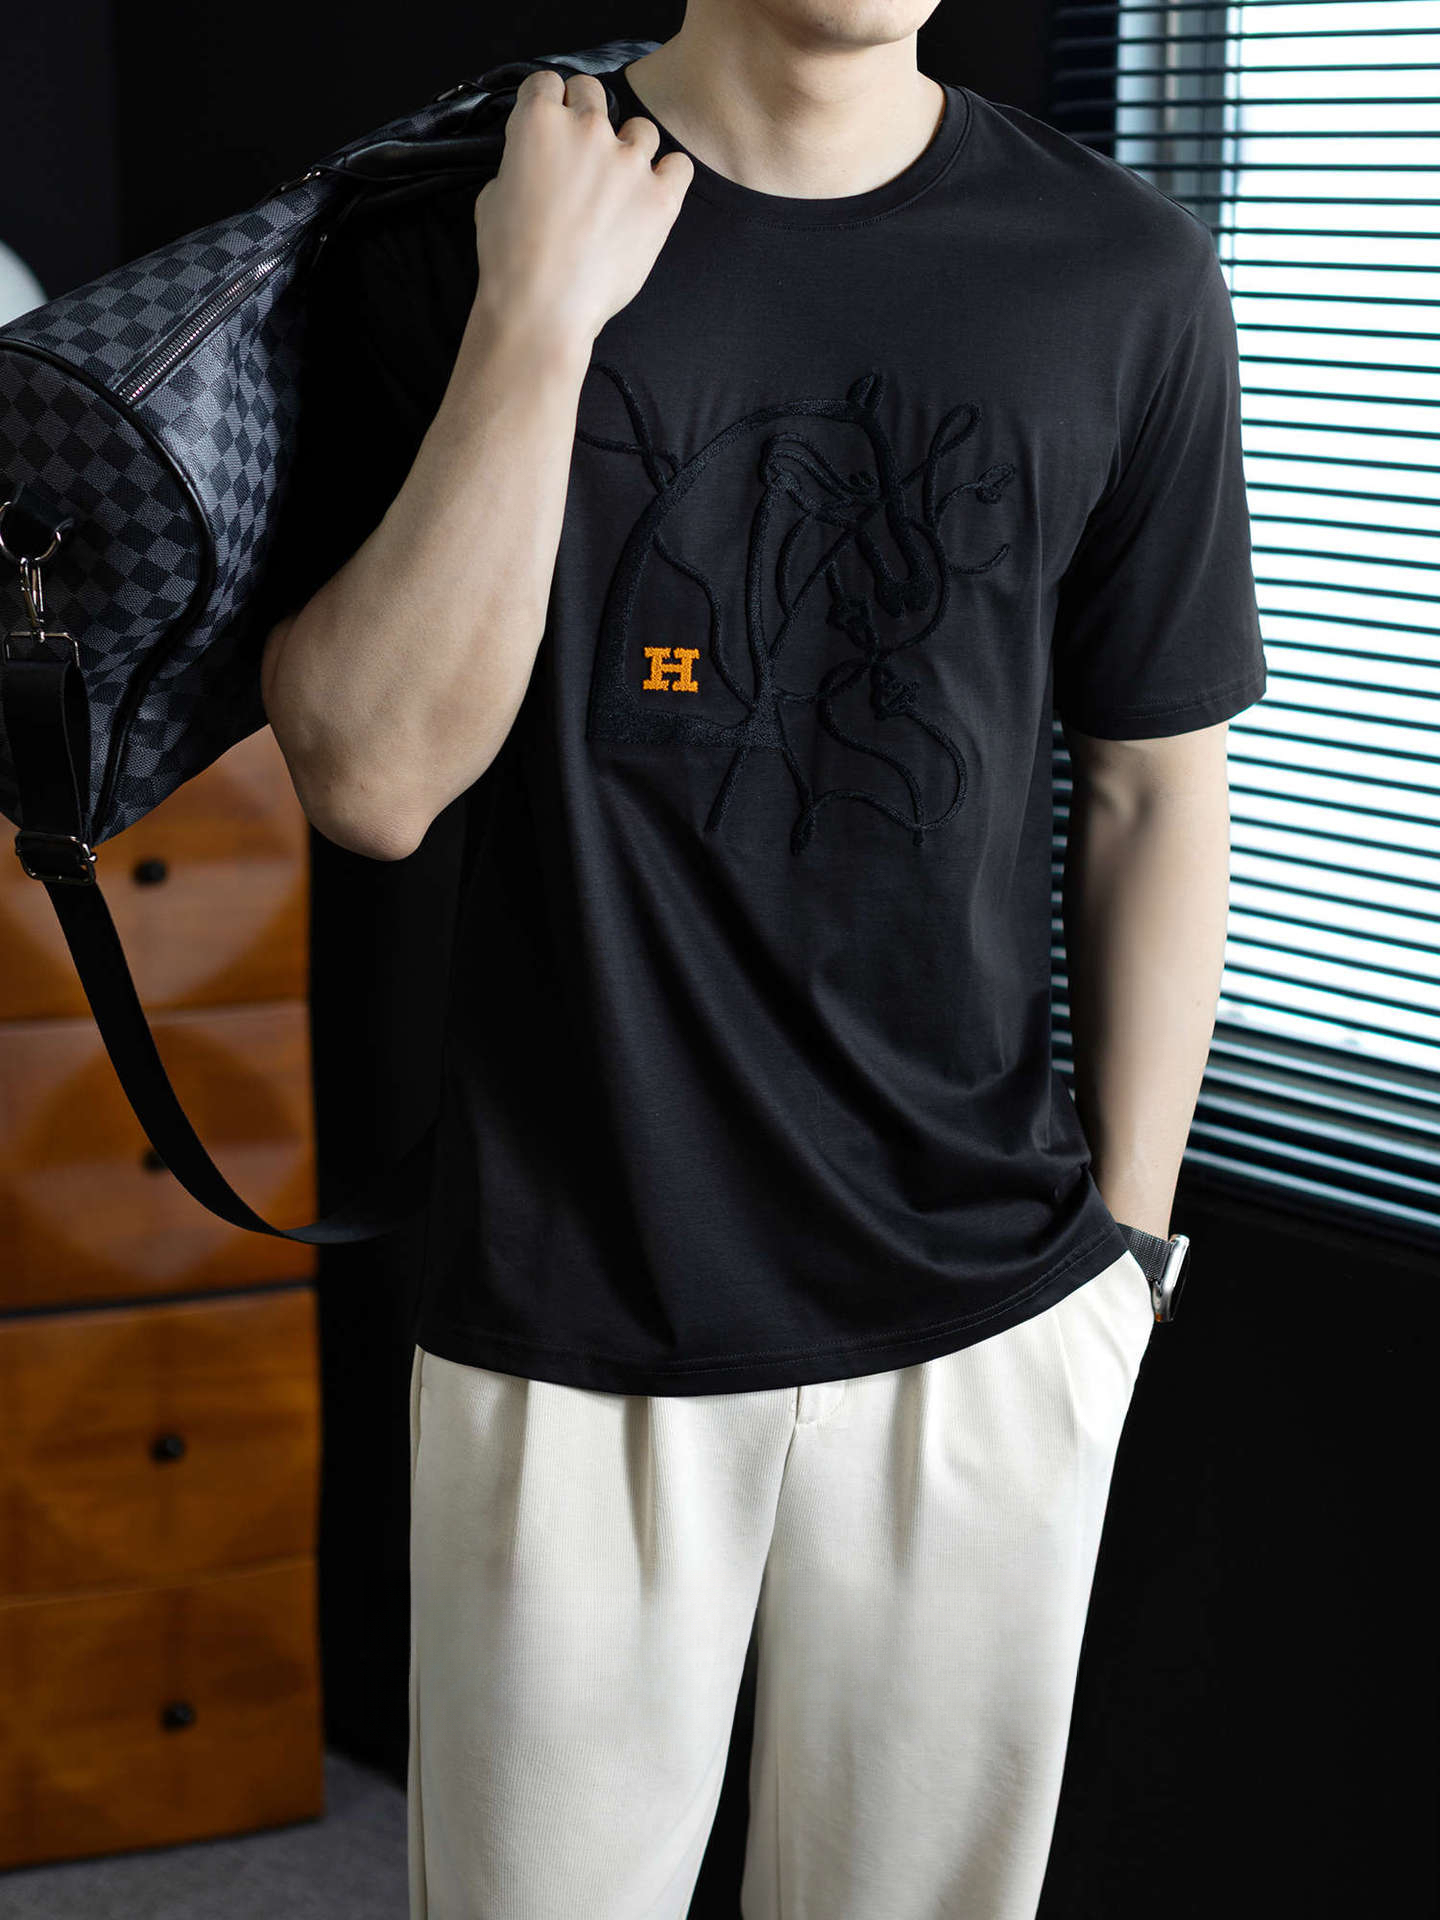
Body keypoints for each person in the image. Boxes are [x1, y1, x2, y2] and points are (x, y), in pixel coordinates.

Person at [260, 6, 1267, 1914]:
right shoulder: (462, 226)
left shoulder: (1119, 274)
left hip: (988, 1324)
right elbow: (373, 782)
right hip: (572, 1316)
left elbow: (1156, 786)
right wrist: (536, 318)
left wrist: (1125, 1267)